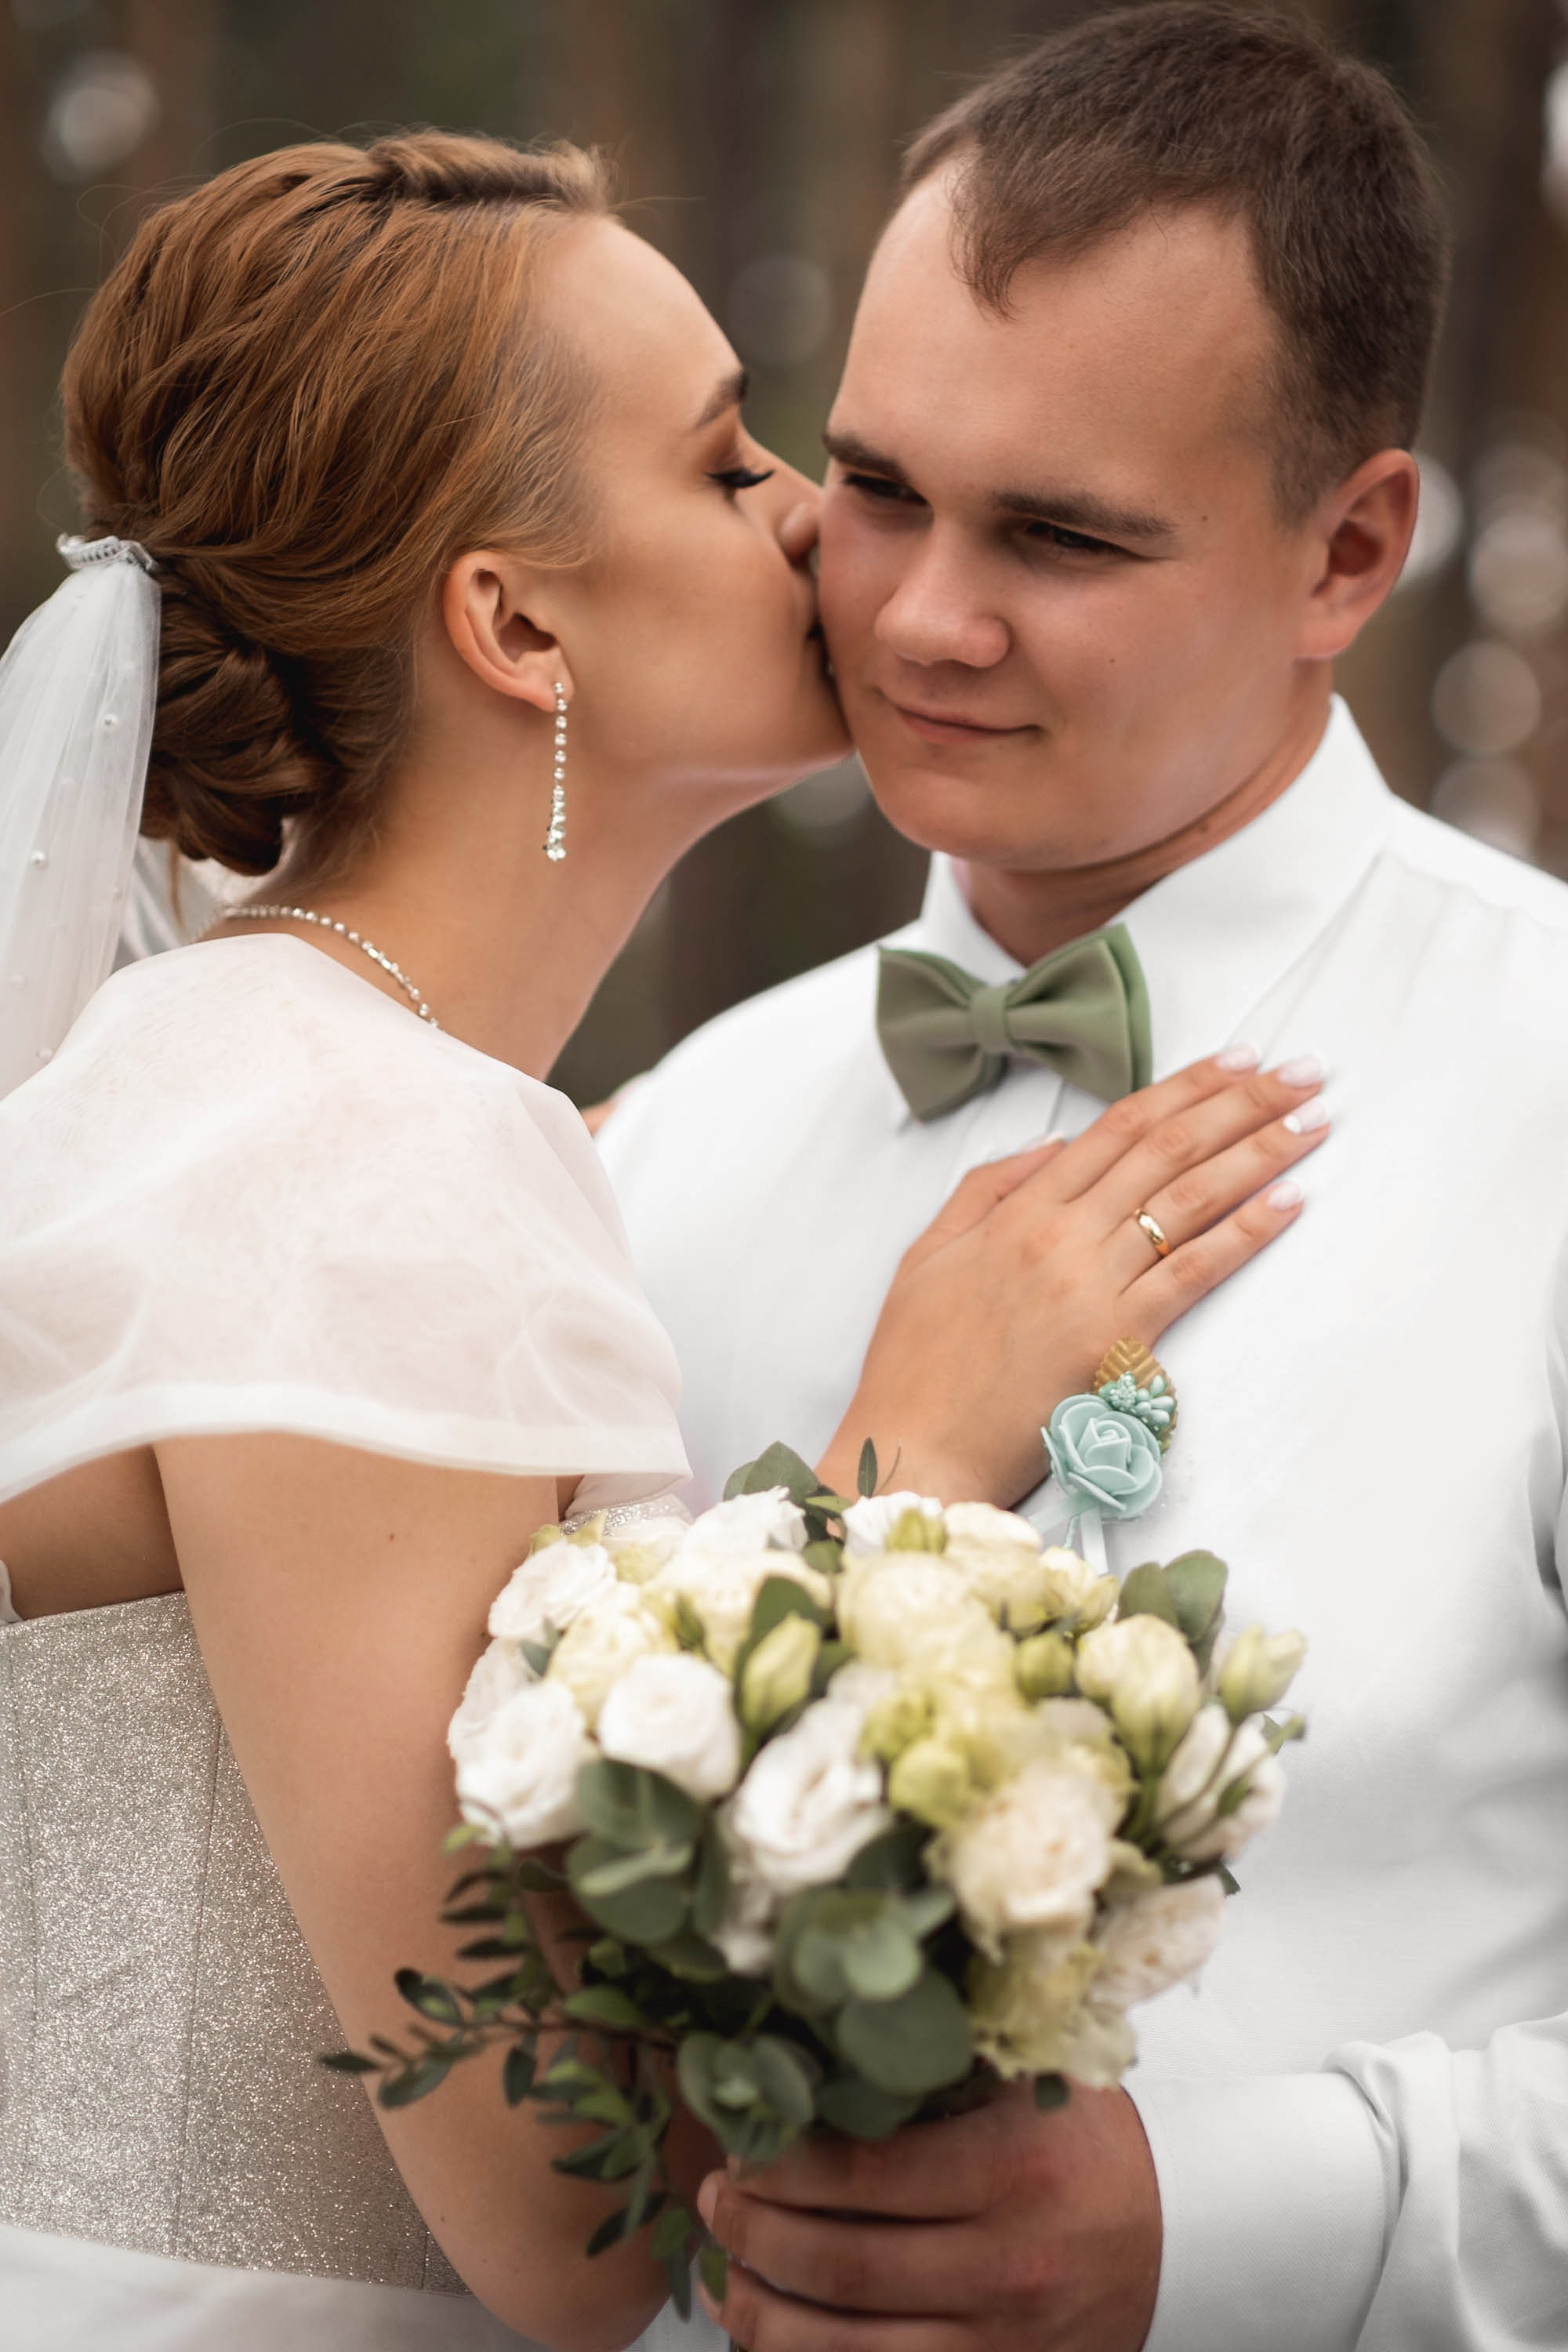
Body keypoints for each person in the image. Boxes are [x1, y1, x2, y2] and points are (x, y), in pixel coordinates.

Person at [0, 130, 1323, 2352]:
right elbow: (575, 2233)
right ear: (516, 621)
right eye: (724, 466)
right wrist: (897, 1464)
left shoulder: (242, 1086)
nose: (821, 517)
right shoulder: (363, 1164)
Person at [598, 9, 1568, 2350]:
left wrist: (1240, 2222)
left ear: (1348, 552)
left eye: (1060, 535)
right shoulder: (649, 1157)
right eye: (886, 487)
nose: (921, 613)